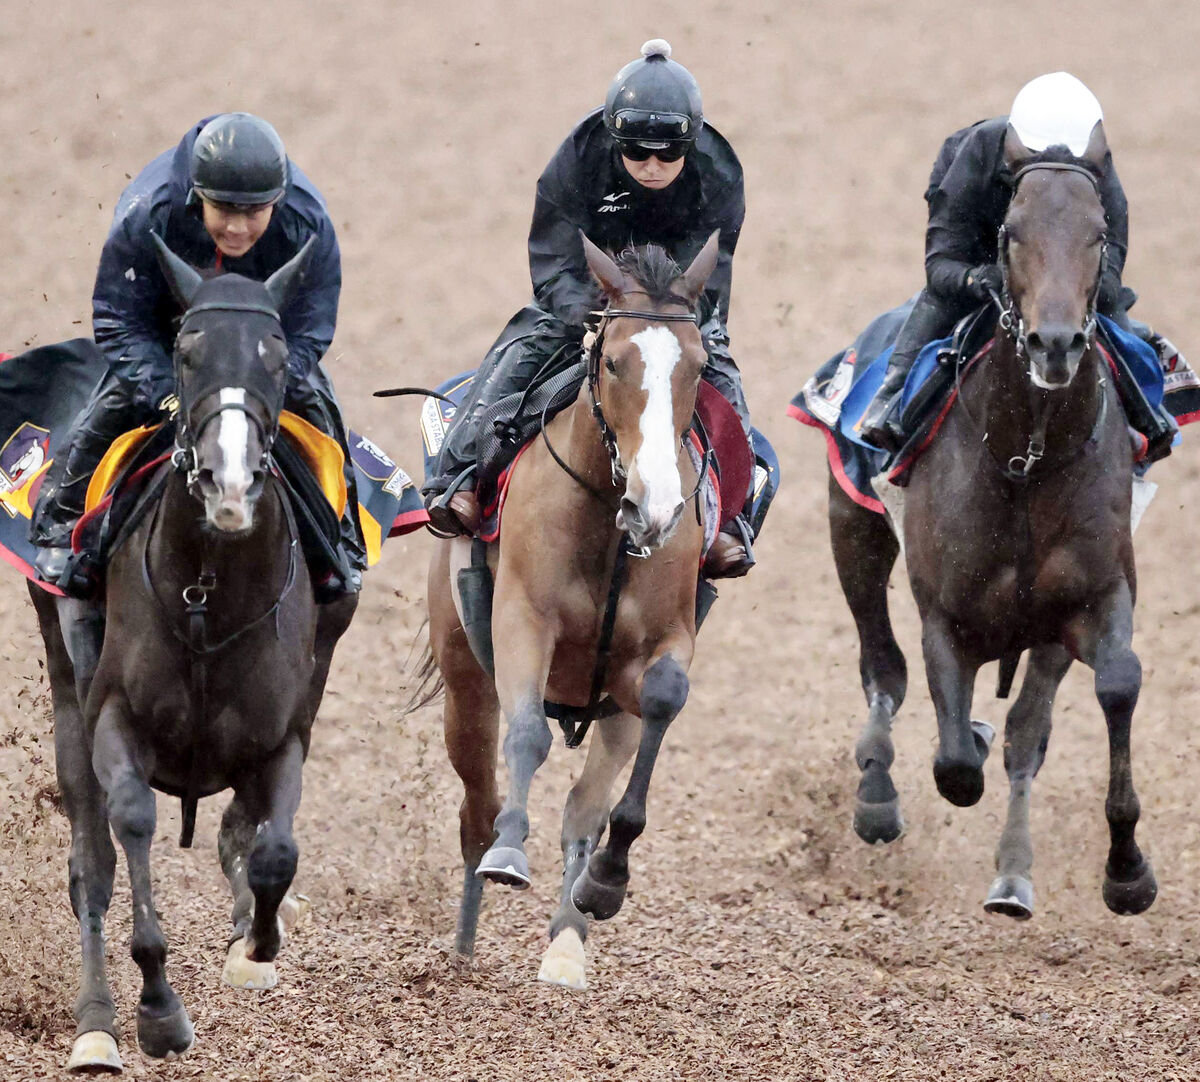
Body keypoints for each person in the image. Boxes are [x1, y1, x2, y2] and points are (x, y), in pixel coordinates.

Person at [422, 39, 756, 577]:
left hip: (676, 305)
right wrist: (590, 312)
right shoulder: (578, 156)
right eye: (637, 153)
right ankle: (457, 478)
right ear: (614, 141)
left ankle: (733, 520)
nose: (652, 166)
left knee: (724, 379)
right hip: (587, 296)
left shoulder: (719, 173)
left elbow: (711, 268)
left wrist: (670, 315)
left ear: (690, 147)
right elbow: (552, 253)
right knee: (518, 351)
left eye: (668, 155)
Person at [30, 112, 365, 599]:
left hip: (261, 346)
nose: (236, 228)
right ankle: (60, 526)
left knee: (321, 413)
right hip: (171, 338)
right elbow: (118, 319)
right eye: (223, 210)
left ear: (278, 202)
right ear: (196, 198)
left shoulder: (308, 224)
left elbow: (311, 327)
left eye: (253, 213)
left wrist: (271, 381)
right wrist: (166, 392)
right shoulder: (150, 213)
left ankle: (343, 542)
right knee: (108, 410)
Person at [859, 72, 1176, 455]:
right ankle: (890, 399)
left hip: (1065, 263)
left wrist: (1089, 285)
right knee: (940, 302)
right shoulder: (976, 151)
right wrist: (978, 279)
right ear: (1015, 149)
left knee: (1109, 309)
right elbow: (941, 265)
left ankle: (1147, 414)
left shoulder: (1098, 165)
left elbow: (1112, 266)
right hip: (978, 257)